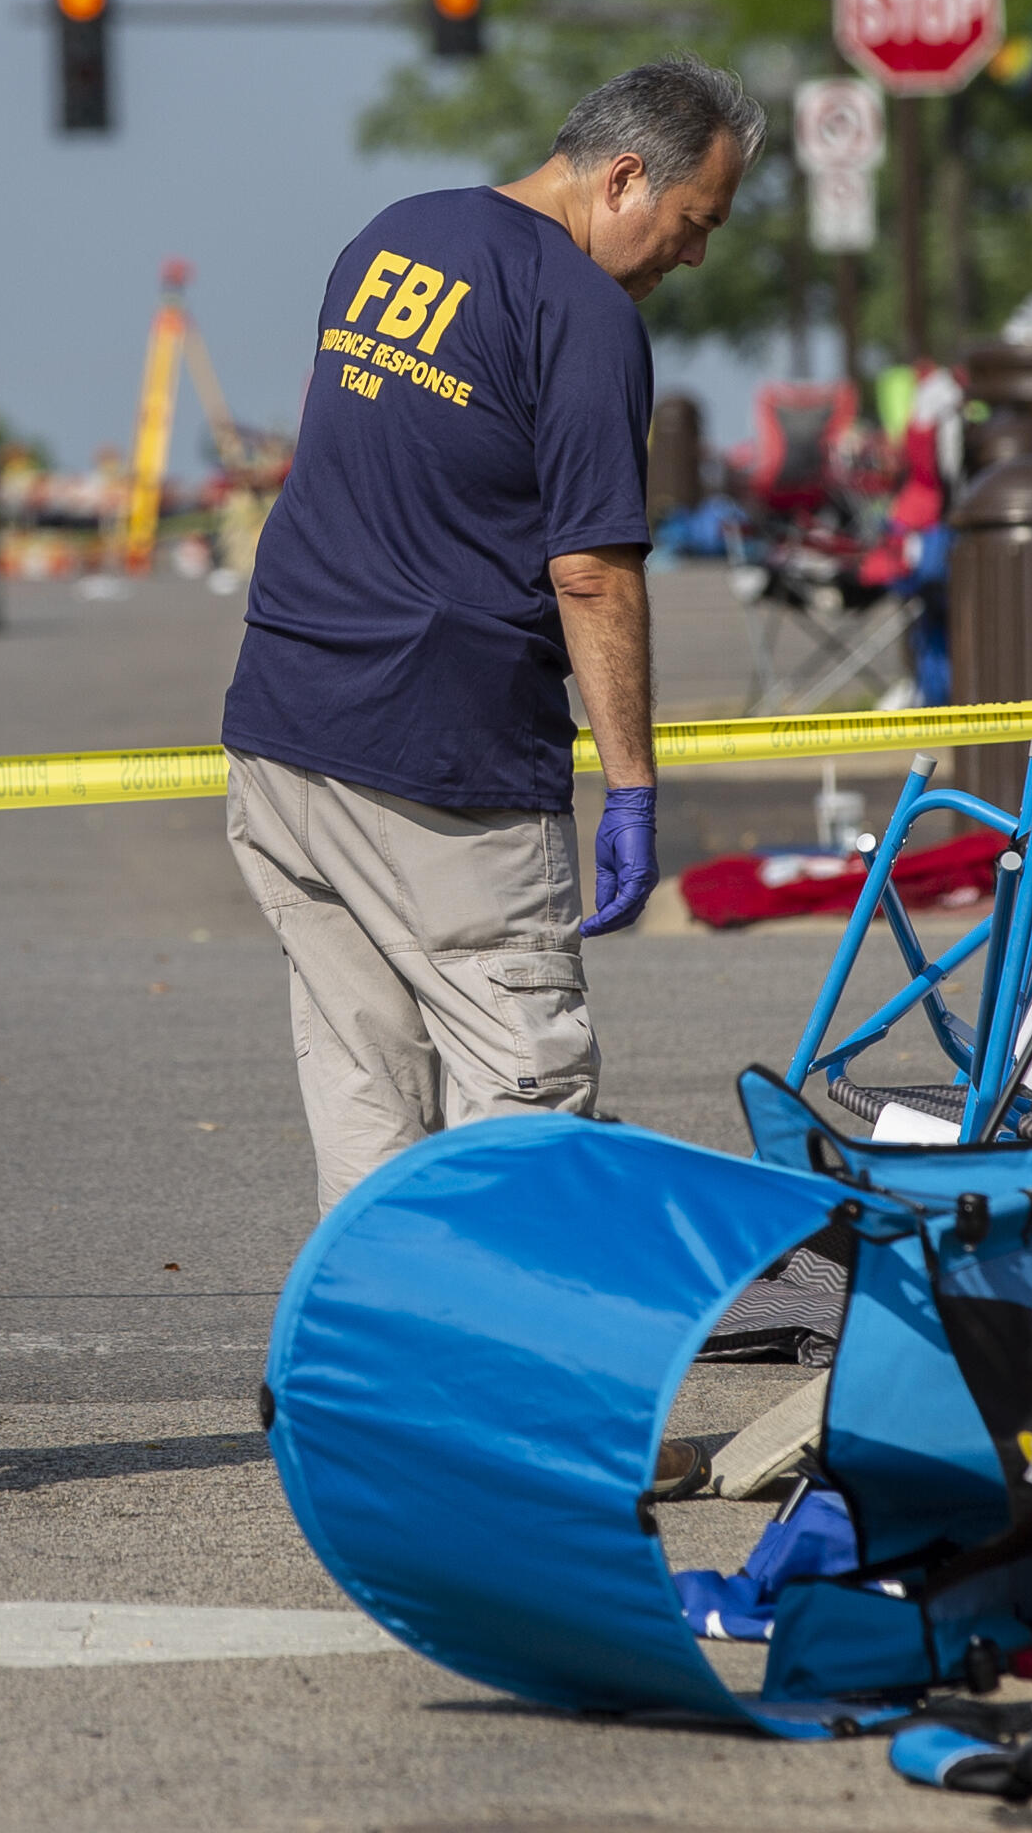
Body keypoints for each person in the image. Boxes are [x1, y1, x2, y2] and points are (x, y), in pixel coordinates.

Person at [218, 59, 756, 1208]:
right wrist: (633, 790)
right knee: (524, 1103)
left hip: (283, 734)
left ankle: (378, 1322)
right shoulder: (584, 314)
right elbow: (592, 575)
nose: (694, 256)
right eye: (696, 220)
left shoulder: (394, 238)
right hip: (441, 764)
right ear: (624, 177)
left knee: (364, 1088)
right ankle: (508, 1326)